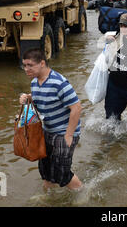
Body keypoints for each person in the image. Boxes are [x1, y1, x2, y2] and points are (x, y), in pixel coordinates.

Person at [19, 48, 83, 191]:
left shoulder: (59, 82)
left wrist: (69, 135)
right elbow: (41, 99)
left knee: (62, 173)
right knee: (45, 169)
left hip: (63, 133)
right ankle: (48, 197)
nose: (26, 69)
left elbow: (77, 108)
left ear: (42, 63)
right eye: (24, 65)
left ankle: (82, 195)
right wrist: (28, 98)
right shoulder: (35, 82)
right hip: (46, 131)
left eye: (30, 65)